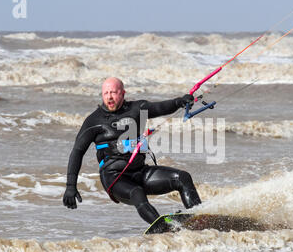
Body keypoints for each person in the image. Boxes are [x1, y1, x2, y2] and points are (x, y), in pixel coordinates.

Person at [63, 77, 202, 224]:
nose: (109, 97)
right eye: (106, 93)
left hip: (140, 172)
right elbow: (77, 152)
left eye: (113, 93)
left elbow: (160, 107)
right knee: (137, 193)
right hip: (115, 178)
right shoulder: (93, 121)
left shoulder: (137, 109)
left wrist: (179, 102)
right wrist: (71, 186)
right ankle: (161, 226)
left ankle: (199, 218)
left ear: (123, 93)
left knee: (183, 178)